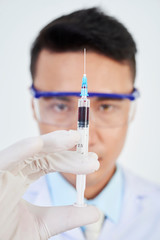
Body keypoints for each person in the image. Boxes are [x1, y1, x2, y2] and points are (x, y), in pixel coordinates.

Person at [24, 7, 160, 240]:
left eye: (107, 106)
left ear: (132, 109)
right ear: (33, 107)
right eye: (59, 105)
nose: (84, 138)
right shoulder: (7, 212)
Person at [0, 130, 100, 240]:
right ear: (35, 113)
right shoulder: (7, 196)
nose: (90, 139)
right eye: (60, 110)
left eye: (105, 110)